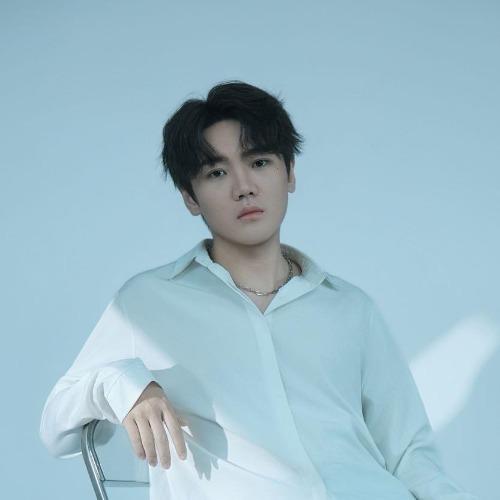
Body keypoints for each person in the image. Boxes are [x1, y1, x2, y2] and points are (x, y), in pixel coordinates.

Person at [39, 80, 478, 500]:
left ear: (290, 173)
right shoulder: (148, 302)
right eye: (216, 172)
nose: (244, 187)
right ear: (190, 197)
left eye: (260, 163)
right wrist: (126, 386)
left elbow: (409, 453)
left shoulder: (349, 308)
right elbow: (56, 427)